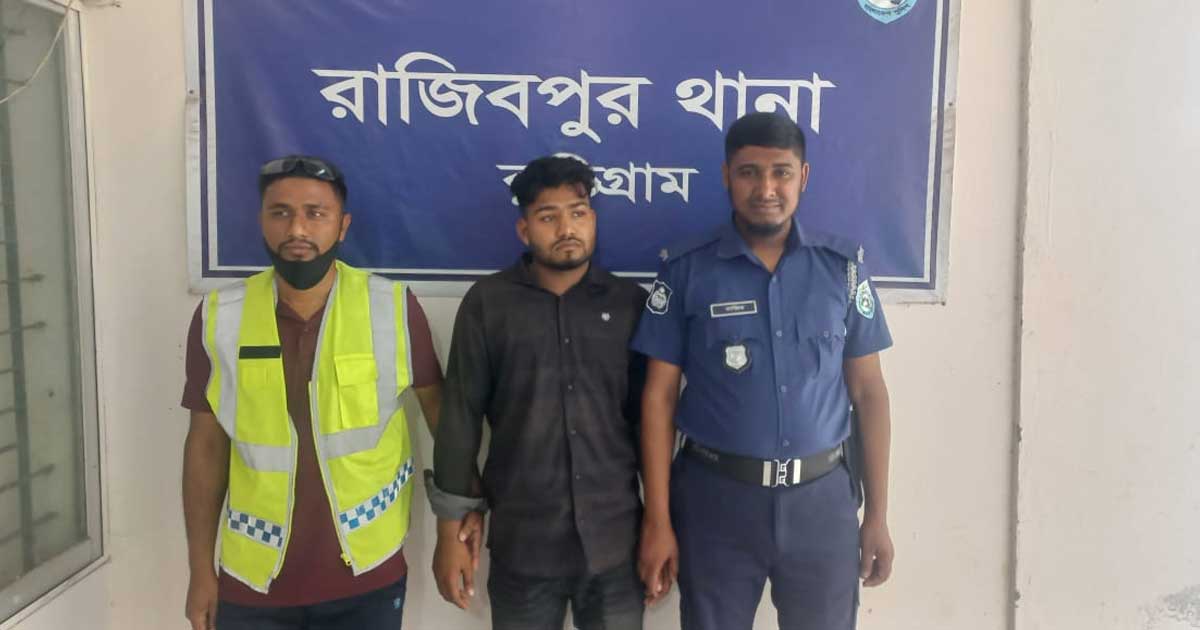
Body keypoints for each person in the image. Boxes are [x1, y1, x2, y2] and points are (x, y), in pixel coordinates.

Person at [632, 112, 896, 630]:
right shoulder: (686, 270)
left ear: (804, 176)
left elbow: (869, 393)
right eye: (749, 172)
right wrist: (657, 520)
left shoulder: (842, 269)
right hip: (716, 502)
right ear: (727, 176)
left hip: (822, 502)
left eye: (781, 172)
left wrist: (878, 517)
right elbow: (658, 398)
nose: (766, 188)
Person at [180, 154, 444, 630]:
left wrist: (455, 526)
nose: (297, 229)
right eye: (280, 212)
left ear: (342, 226)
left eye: (315, 213)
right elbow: (205, 447)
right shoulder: (220, 317)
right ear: (261, 221)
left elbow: (444, 421)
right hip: (252, 579)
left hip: (368, 573)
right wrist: (200, 569)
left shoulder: (393, 308)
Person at [427, 155, 649, 630]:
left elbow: (649, 423)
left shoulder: (630, 305)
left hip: (615, 544)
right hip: (524, 545)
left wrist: (660, 525)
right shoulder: (488, 304)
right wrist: (449, 529)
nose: (567, 228)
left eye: (578, 212)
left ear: (593, 220)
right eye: (548, 217)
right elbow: (460, 420)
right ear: (524, 230)